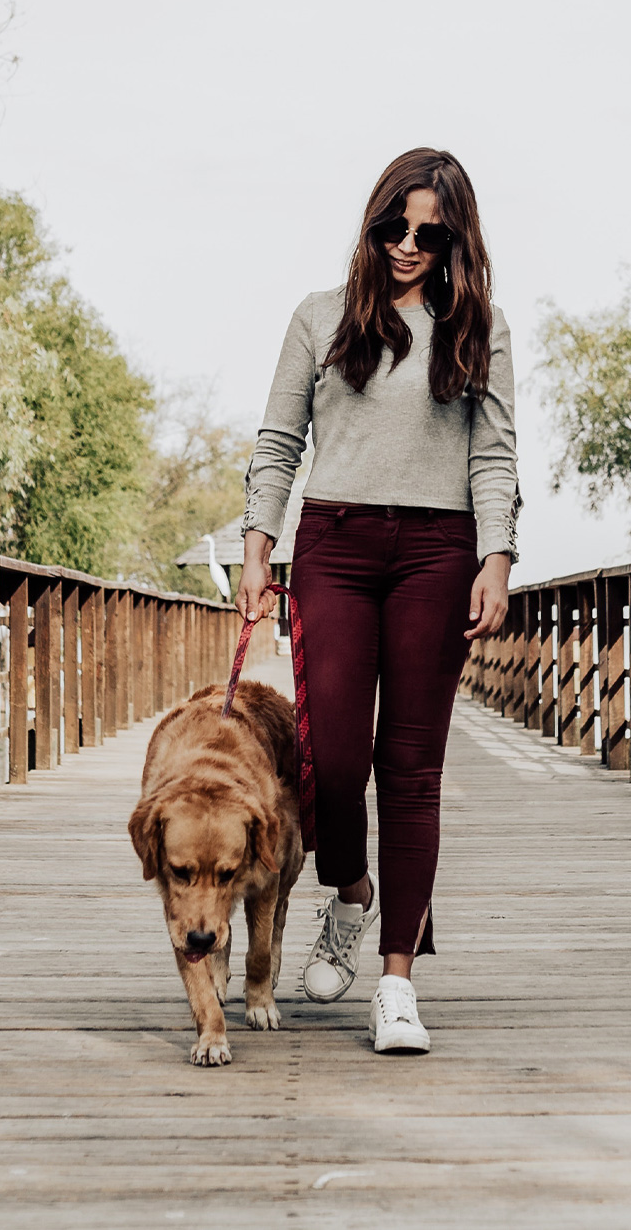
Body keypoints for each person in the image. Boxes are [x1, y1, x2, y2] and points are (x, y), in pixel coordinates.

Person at [237, 147, 519, 1055]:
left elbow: (494, 455)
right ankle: (350, 892)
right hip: (336, 547)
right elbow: (279, 441)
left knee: (412, 771)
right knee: (334, 763)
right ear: (373, 221)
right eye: (394, 225)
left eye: (429, 233)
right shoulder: (320, 318)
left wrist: (497, 556)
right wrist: (256, 546)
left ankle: (397, 981)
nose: (407, 243)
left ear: (454, 239)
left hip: (438, 551)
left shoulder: (481, 328)